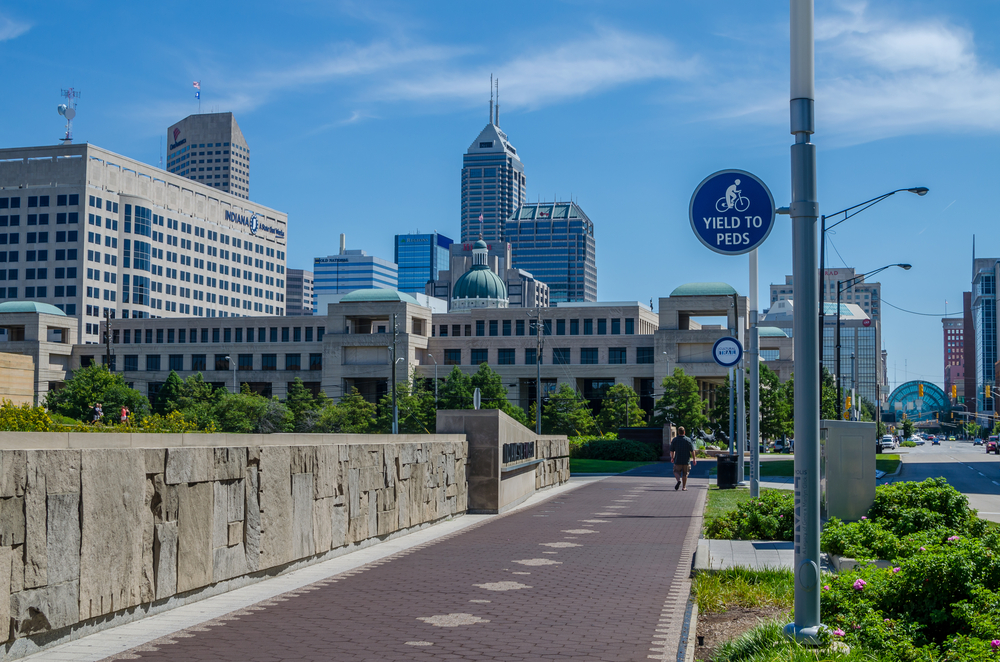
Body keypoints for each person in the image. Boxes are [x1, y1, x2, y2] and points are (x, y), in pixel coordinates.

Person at [669, 426, 697, 491]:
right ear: (684, 432)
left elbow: (671, 450)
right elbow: (692, 450)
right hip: (686, 460)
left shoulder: (674, 440)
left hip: (677, 460)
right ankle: (684, 487)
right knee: (685, 473)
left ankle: (678, 480)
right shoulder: (688, 440)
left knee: (676, 471)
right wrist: (694, 459)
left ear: (678, 432)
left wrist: (672, 458)